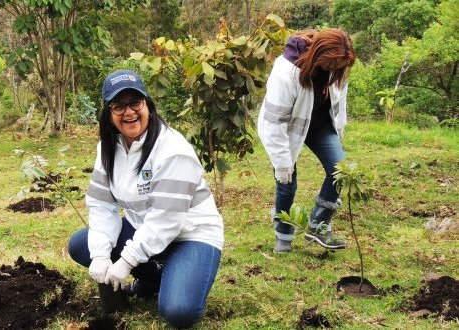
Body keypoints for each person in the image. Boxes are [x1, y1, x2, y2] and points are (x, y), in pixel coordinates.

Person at [67, 69, 224, 328]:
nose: (128, 112)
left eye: (135, 103)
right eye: (118, 105)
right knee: (82, 244)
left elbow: (167, 220)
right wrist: (101, 255)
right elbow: (102, 204)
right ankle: (156, 277)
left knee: (179, 312)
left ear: (147, 105)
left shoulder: (173, 150)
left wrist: (128, 260)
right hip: (145, 230)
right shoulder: (109, 148)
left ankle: (179, 273)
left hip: (190, 236)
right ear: (108, 113)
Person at [257, 28, 356, 253]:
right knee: (287, 183)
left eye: (338, 66)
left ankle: (318, 226)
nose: (333, 69)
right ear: (319, 53)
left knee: (340, 171)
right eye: (331, 64)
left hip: (320, 125)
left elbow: (340, 101)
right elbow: (274, 123)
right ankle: (283, 236)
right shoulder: (286, 72)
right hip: (287, 127)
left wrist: (339, 128)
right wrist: (283, 164)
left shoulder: (337, 68)